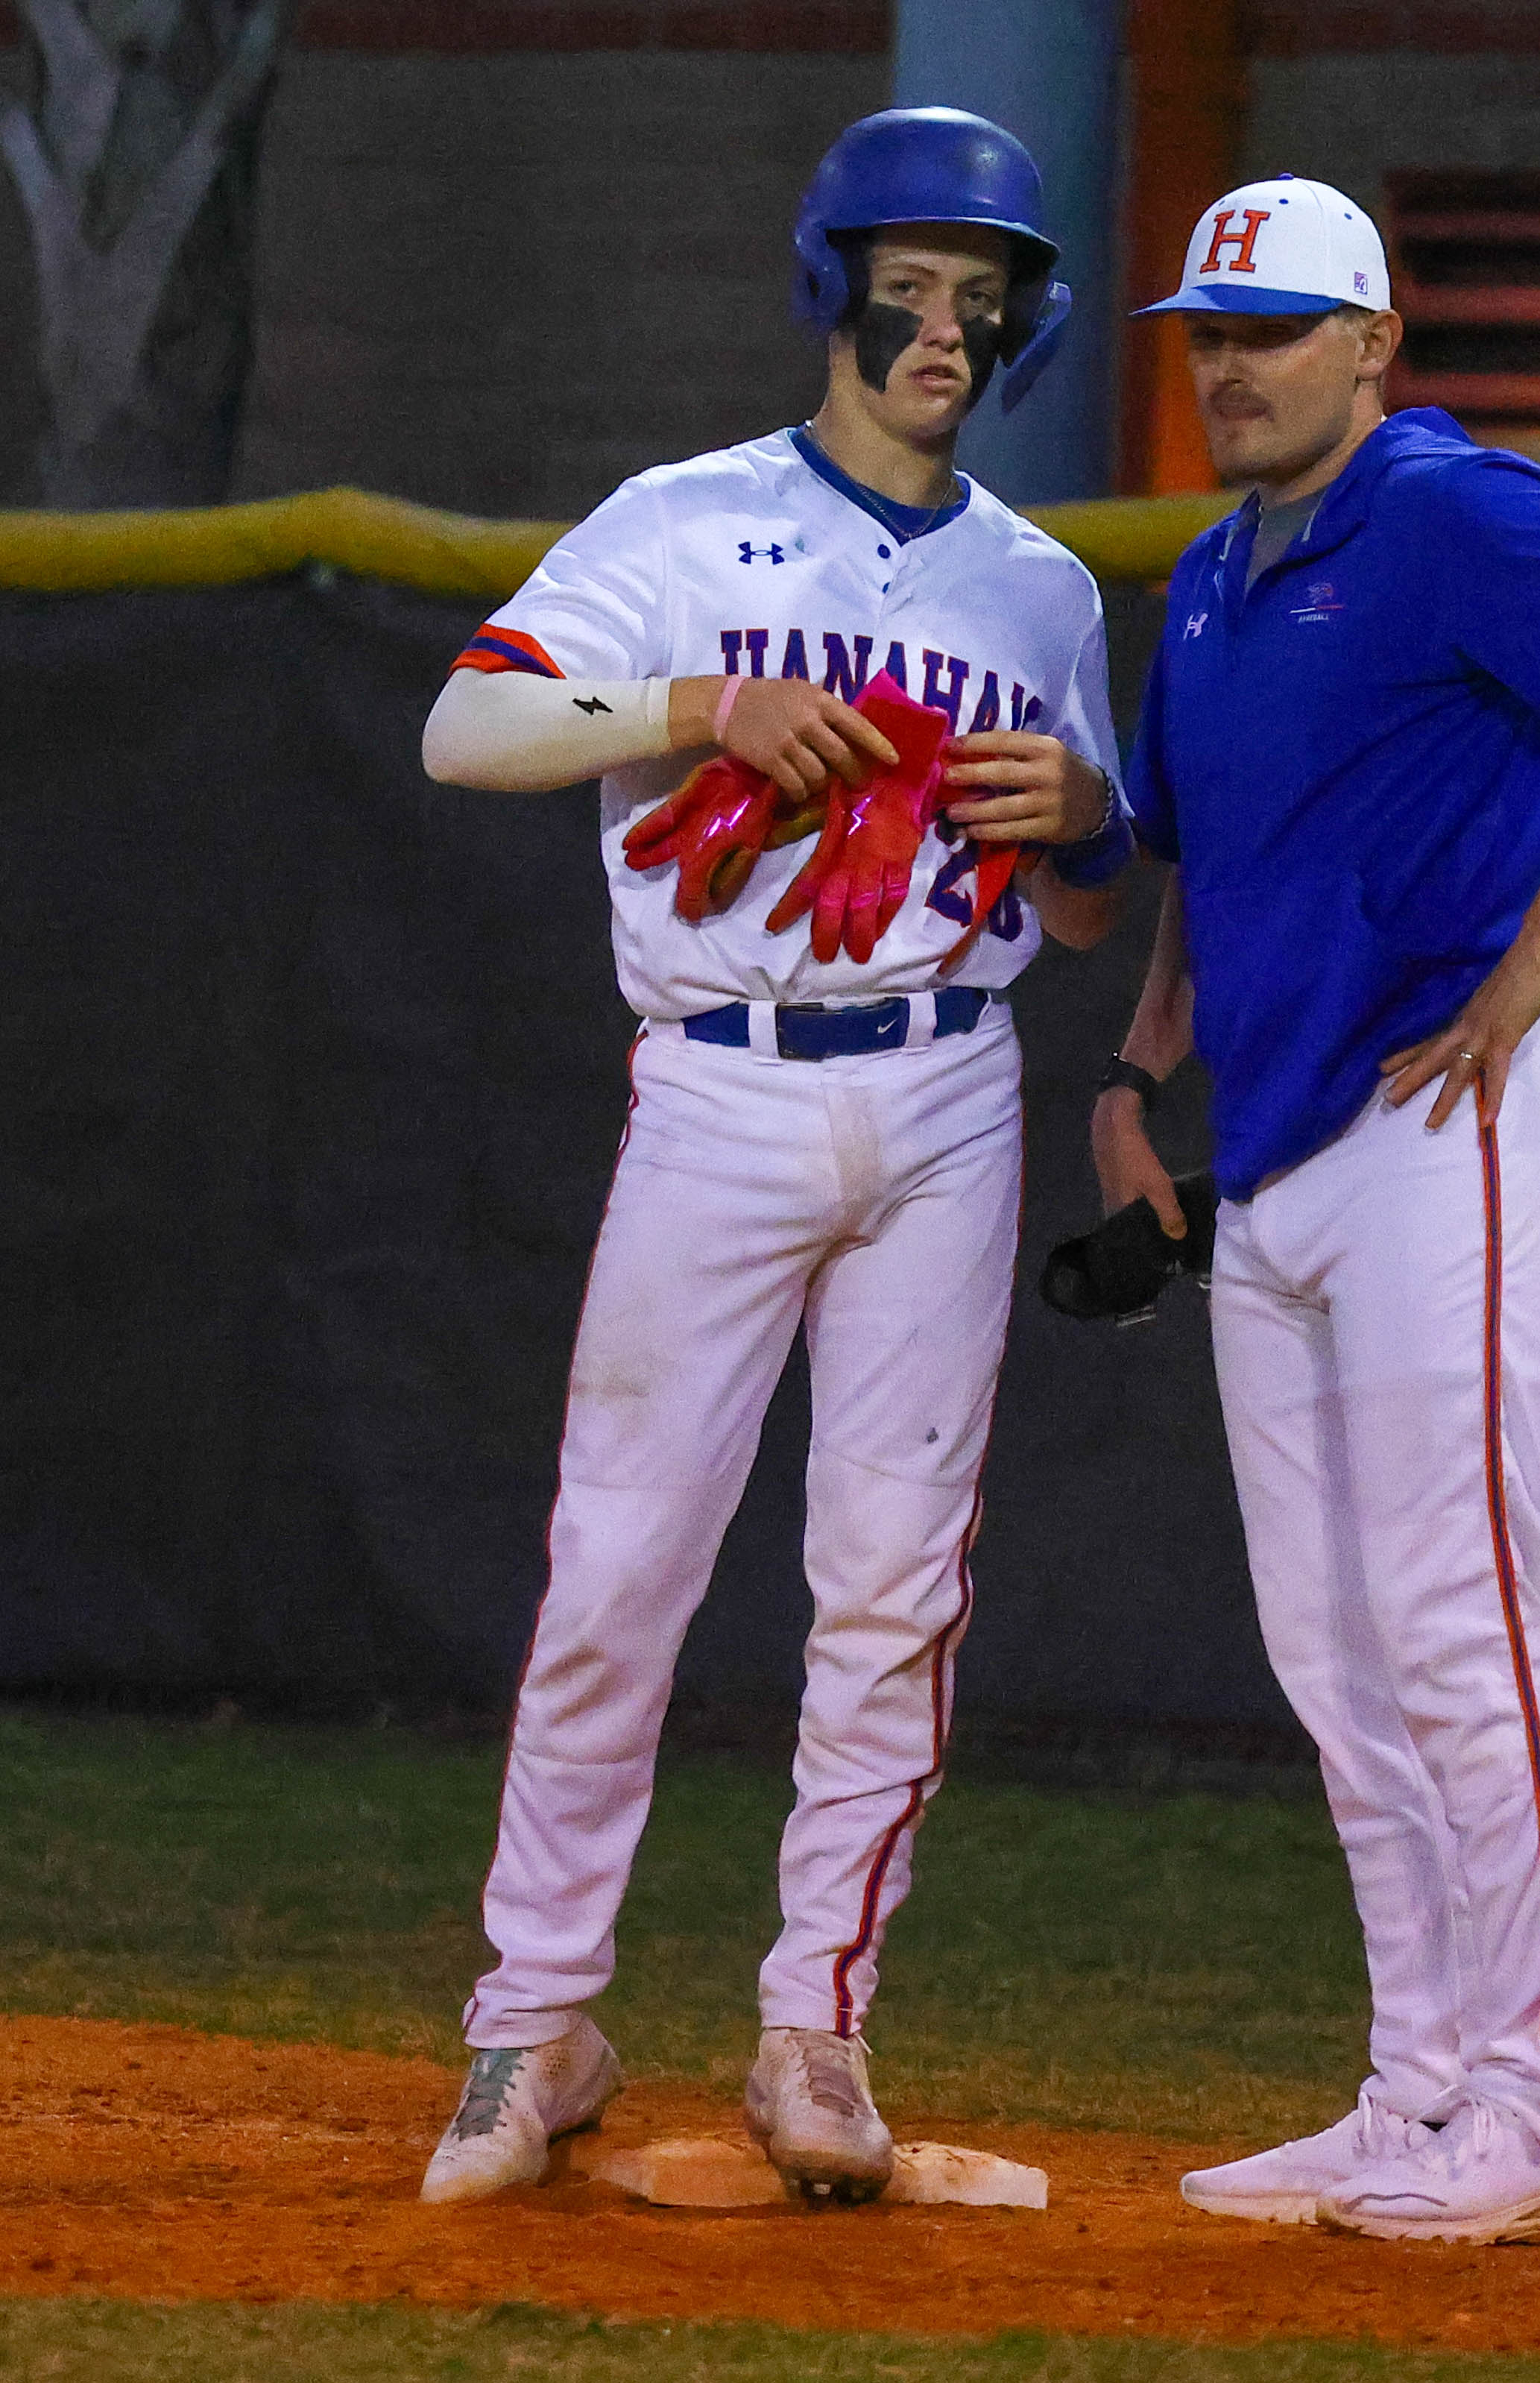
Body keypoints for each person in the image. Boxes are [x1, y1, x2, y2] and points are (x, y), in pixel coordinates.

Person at [413, 108, 1132, 2209]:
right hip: (720, 1078)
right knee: (619, 1563)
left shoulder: (1038, 579)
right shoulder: (686, 519)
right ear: (832, 287)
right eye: (910, 279)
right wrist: (690, 700)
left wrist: (1076, 819)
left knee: (894, 1585)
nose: (946, 318)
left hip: (947, 1080)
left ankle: (817, 2029)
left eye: (980, 287)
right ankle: (532, 2020)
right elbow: (464, 731)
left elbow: (1084, 908)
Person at [1095, 175, 1540, 2241]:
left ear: (1375, 342)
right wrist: (1134, 1069)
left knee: (1456, 1621)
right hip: (1278, 1159)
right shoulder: (1208, 577)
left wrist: (1537, 950)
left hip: (1443, 1122)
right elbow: (1215, 859)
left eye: (1274, 327)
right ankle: (1417, 2085)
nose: (1230, 364)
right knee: (1335, 1650)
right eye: (1208, 329)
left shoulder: (1448, 507)